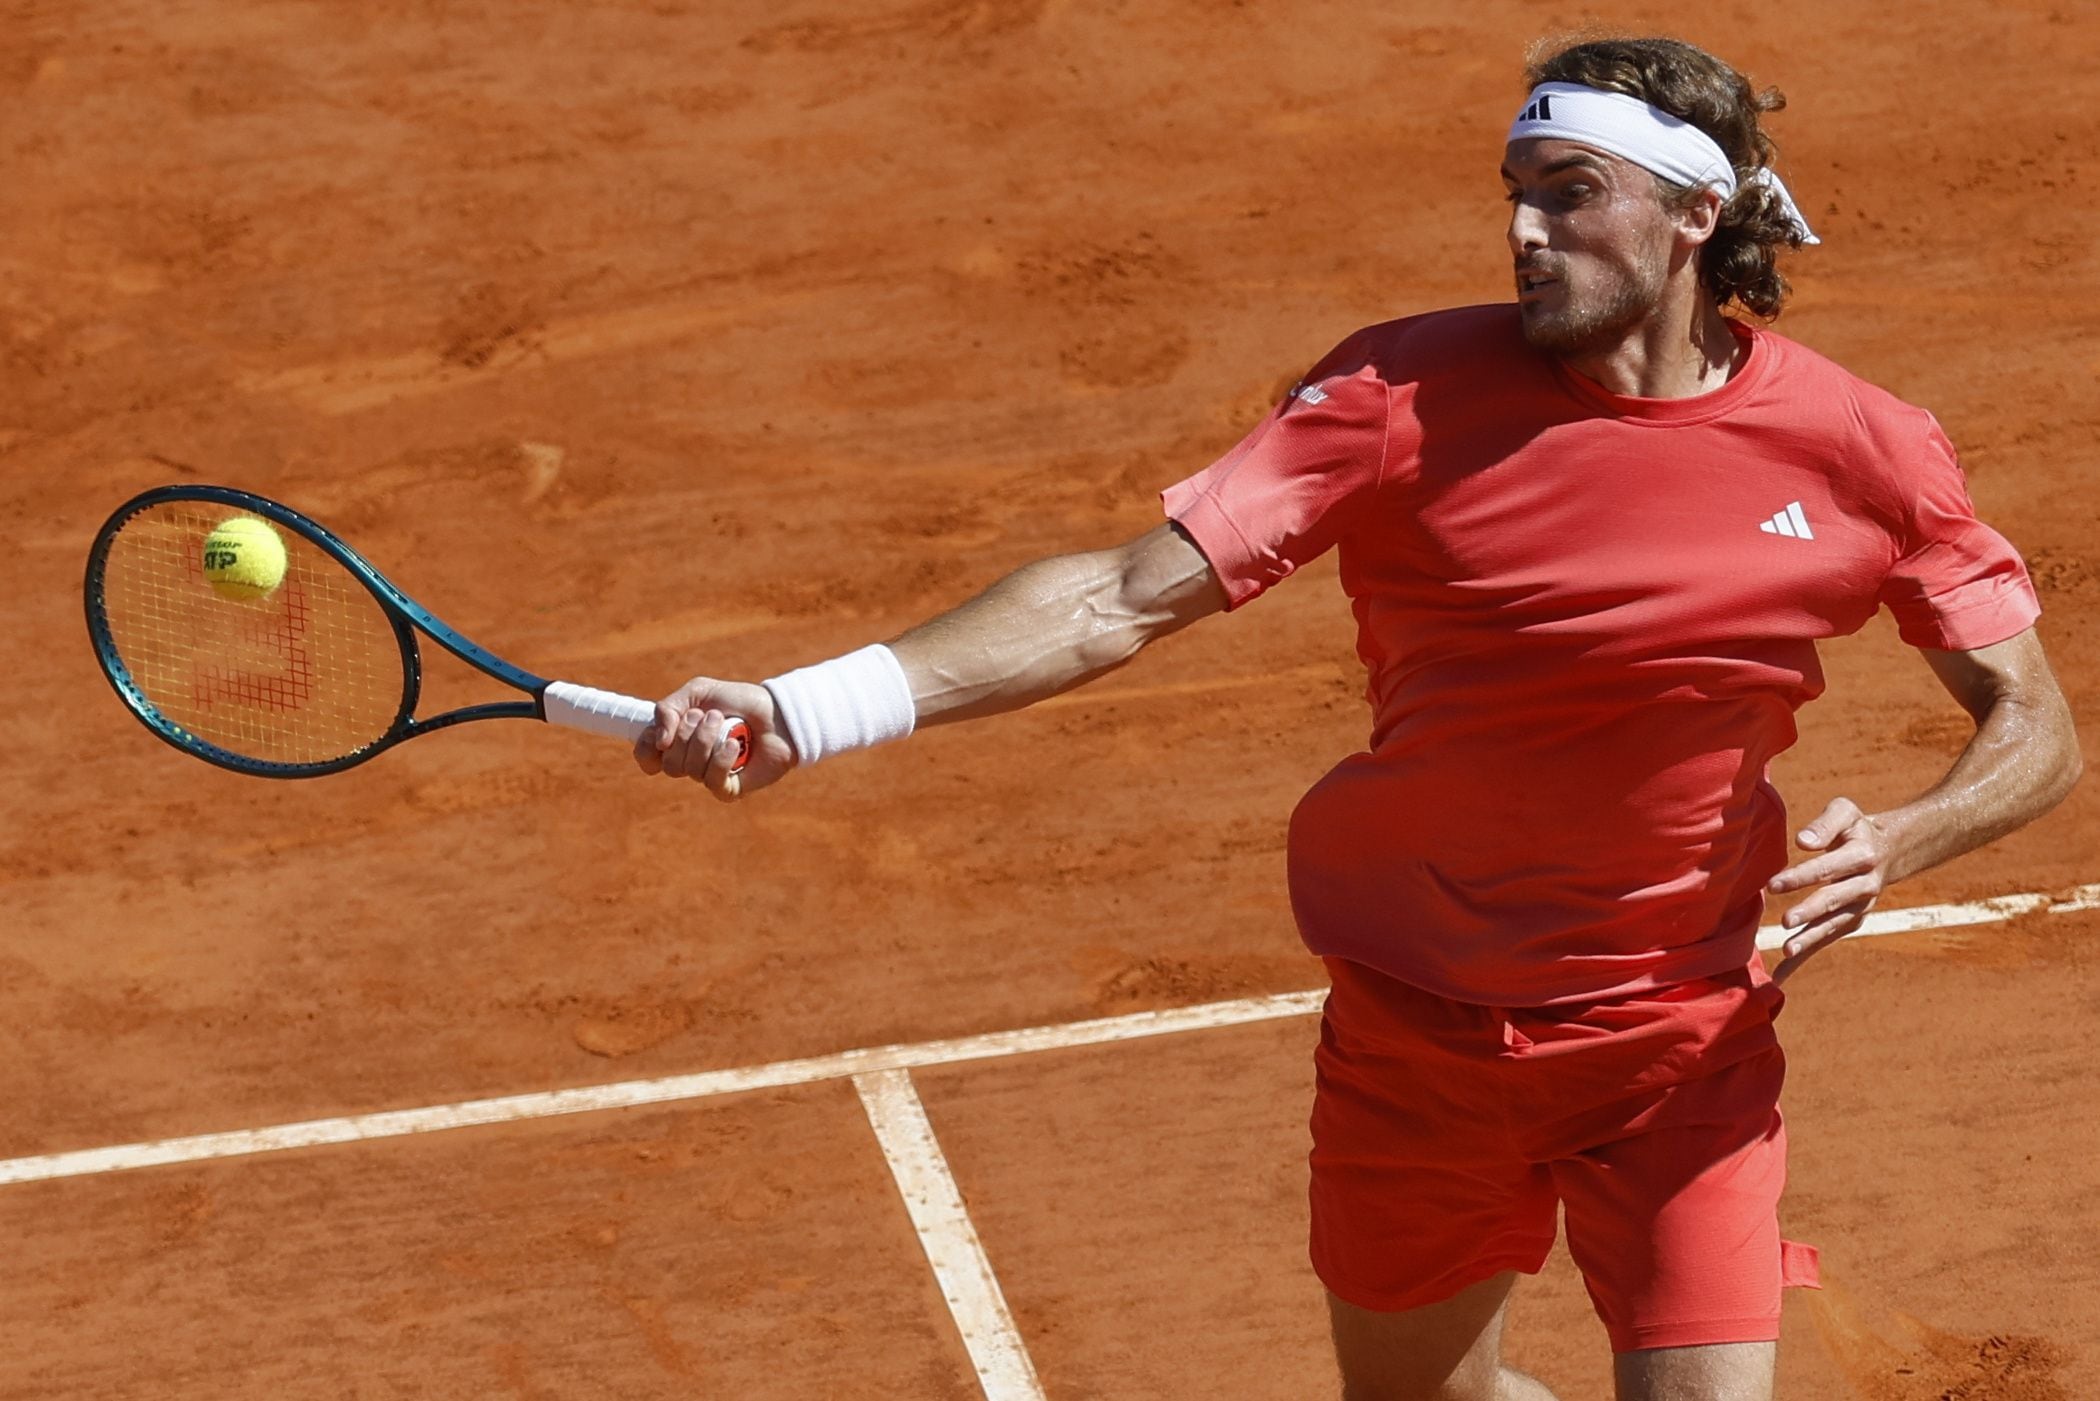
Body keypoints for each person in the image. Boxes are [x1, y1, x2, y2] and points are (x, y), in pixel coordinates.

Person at [631, 35, 2081, 1401]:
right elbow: (1119, 598)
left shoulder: (1860, 448)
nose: (1525, 233)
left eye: (1572, 198)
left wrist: (1910, 832)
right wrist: (802, 707)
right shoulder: (1398, 394)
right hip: (1418, 1036)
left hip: (1679, 1044)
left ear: (1698, 213)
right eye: (1516, 197)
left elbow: (2035, 720)